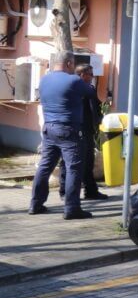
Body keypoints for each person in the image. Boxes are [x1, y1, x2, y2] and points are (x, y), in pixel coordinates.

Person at [29, 50, 93, 219]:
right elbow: (91, 92)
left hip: (49, 128)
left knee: (45, 166)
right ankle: (72, 208)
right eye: (73, 64)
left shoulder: (44, 80)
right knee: (73, 168)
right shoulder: (74, 80)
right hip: (68, 129)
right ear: (69, 63)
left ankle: (35, 204)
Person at [58, 64, 107, 200]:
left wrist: (98, 121)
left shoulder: (89, 88)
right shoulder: (73, 88)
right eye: (90, 74)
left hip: (87, 130)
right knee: (68, 161)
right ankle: (65, 191)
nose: (92, 77)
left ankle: (90, 190)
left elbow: (95, 107)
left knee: (88, 161)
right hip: (74, 129)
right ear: (82, 75)